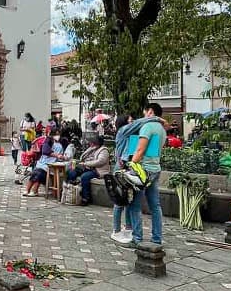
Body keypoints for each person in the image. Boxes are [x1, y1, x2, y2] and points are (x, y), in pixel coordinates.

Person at [117, 103, 166, 246]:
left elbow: (140, 150)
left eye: (145, 112)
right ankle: (156, 238)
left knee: (134, 205)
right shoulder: (162, 129)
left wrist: (131, 165)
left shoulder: (148, 127)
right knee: (155, 206)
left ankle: (137, 239)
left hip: (143, 170)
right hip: (155, 169)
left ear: (150, 111)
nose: (144, 115)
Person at [110, 114, 135, 243]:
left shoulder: (129, 135)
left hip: (128, 169)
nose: (133, 123)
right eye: (131, 121)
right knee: (119, 201)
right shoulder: (122, 131)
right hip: (120, 169)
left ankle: (129, 227)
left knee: (129, 200)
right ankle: (116, 229)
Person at [69, 134, 110, 206]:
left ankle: (86, 198)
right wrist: (90, 149)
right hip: (87, 168)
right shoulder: (92, 149)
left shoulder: (104, 150)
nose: (90, 143)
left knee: (85, 177)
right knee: (72, 171)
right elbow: (82, 157)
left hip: (98, 170)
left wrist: (86, 163)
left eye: (92, 142)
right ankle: (72, 192)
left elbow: (100, 161)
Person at [24, 130, 62, 197]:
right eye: (56, 134)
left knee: (39, 173)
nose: (57, 136)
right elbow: (45, 152)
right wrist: (56, 155)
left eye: (58, 134)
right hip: (42, 163)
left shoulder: (60, 145)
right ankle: (28, 190)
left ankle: (34, 191)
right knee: (35, 172)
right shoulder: (48, 142)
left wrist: (60, 157)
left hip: (50, 165)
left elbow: (59, 156)